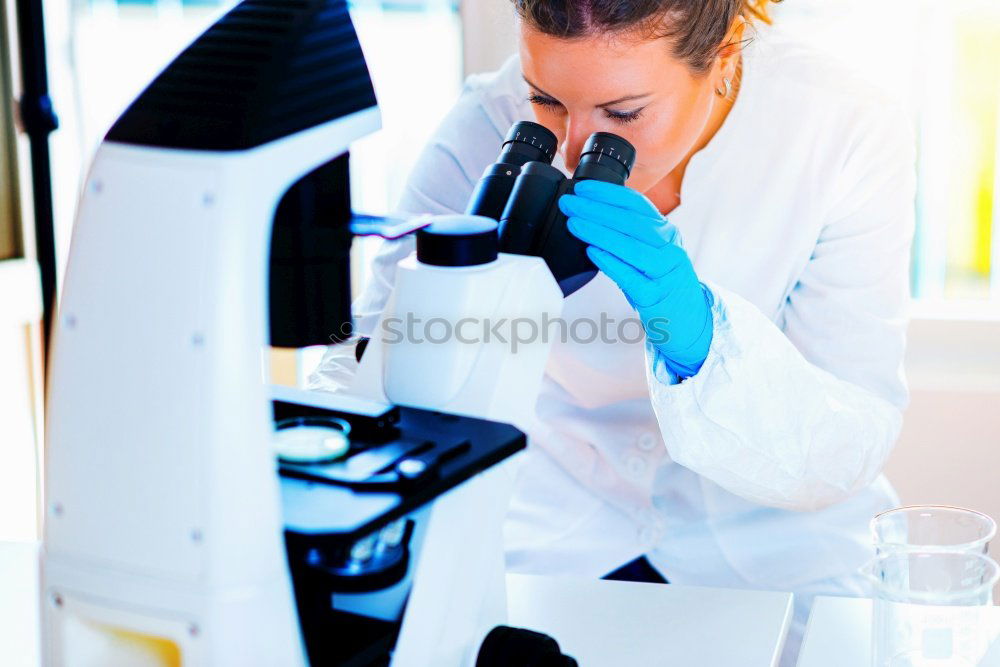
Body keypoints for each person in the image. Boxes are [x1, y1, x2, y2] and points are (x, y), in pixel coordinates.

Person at [311, 1, 916, 663]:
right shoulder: (484, 126)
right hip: (550, 537)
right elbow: (359, 377)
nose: (572, 149)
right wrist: (460, 306)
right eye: (545, 101)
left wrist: (709, 345)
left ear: (724, 56)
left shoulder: (842, 130)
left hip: (777, 550)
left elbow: (853, 435)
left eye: (622, 115)